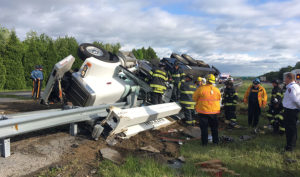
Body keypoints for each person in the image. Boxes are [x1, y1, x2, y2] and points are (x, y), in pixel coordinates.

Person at [193, 74, 221, 145]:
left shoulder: (201, 89)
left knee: (204, 129)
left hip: (203, 112)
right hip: (214, 112)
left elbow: (194, 98)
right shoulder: (217, 90)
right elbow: (219, 98)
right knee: (214, 128)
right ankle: (215, 142)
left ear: (206, 80)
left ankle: (204, 143)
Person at [282, 73, 300, 152]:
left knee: (290, 129)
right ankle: (292, 144)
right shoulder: (295, 86)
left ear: (289, 78)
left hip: (290, 111)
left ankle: (290, 147)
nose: (284, 80)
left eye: (285, 78)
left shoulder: (291, 88)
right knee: (292, 128)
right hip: (292, 110)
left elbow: (295, 100)